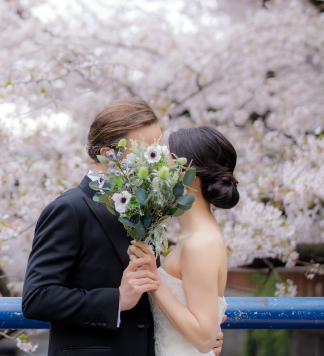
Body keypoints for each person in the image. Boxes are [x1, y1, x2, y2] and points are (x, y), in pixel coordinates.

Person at [22, 99, 224, 356]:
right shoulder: (69, 209)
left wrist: (197, 334)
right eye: (145, 150)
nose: (159, 157)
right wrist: (116, 300)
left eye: (158, 146)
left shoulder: (149, 203)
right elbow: (36, 298)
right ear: (108, 154)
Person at [130, 125, 238, 356]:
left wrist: (154, 278)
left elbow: (204, 337)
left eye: (164, 157)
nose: (156, 164)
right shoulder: (193, 236)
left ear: (187, 171)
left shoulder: (201, 243)